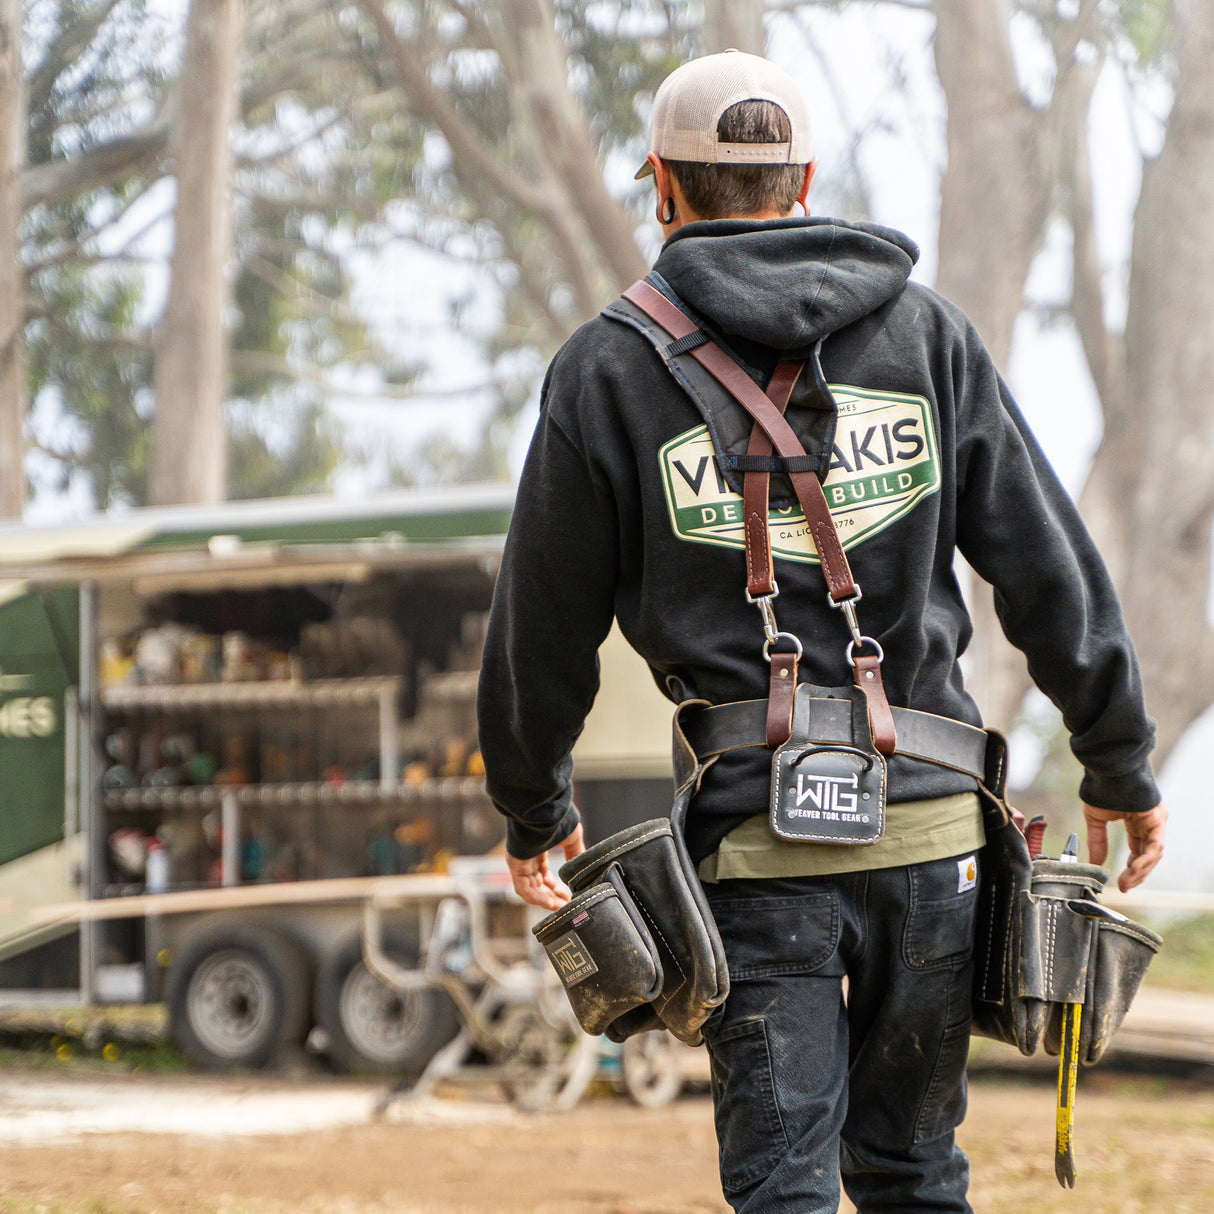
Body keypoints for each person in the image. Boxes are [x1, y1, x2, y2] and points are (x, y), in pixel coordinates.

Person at [475, 49, 1167, 1214]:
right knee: (912, 1171)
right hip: (937, 837)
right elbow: (1043, 561)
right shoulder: (924, 338)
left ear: (661, 185)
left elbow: (540, 625)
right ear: (802, 179)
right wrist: (1117, 757)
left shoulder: (607, 370)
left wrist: (532, 805)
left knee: (783, 1184)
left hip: (755, 857)